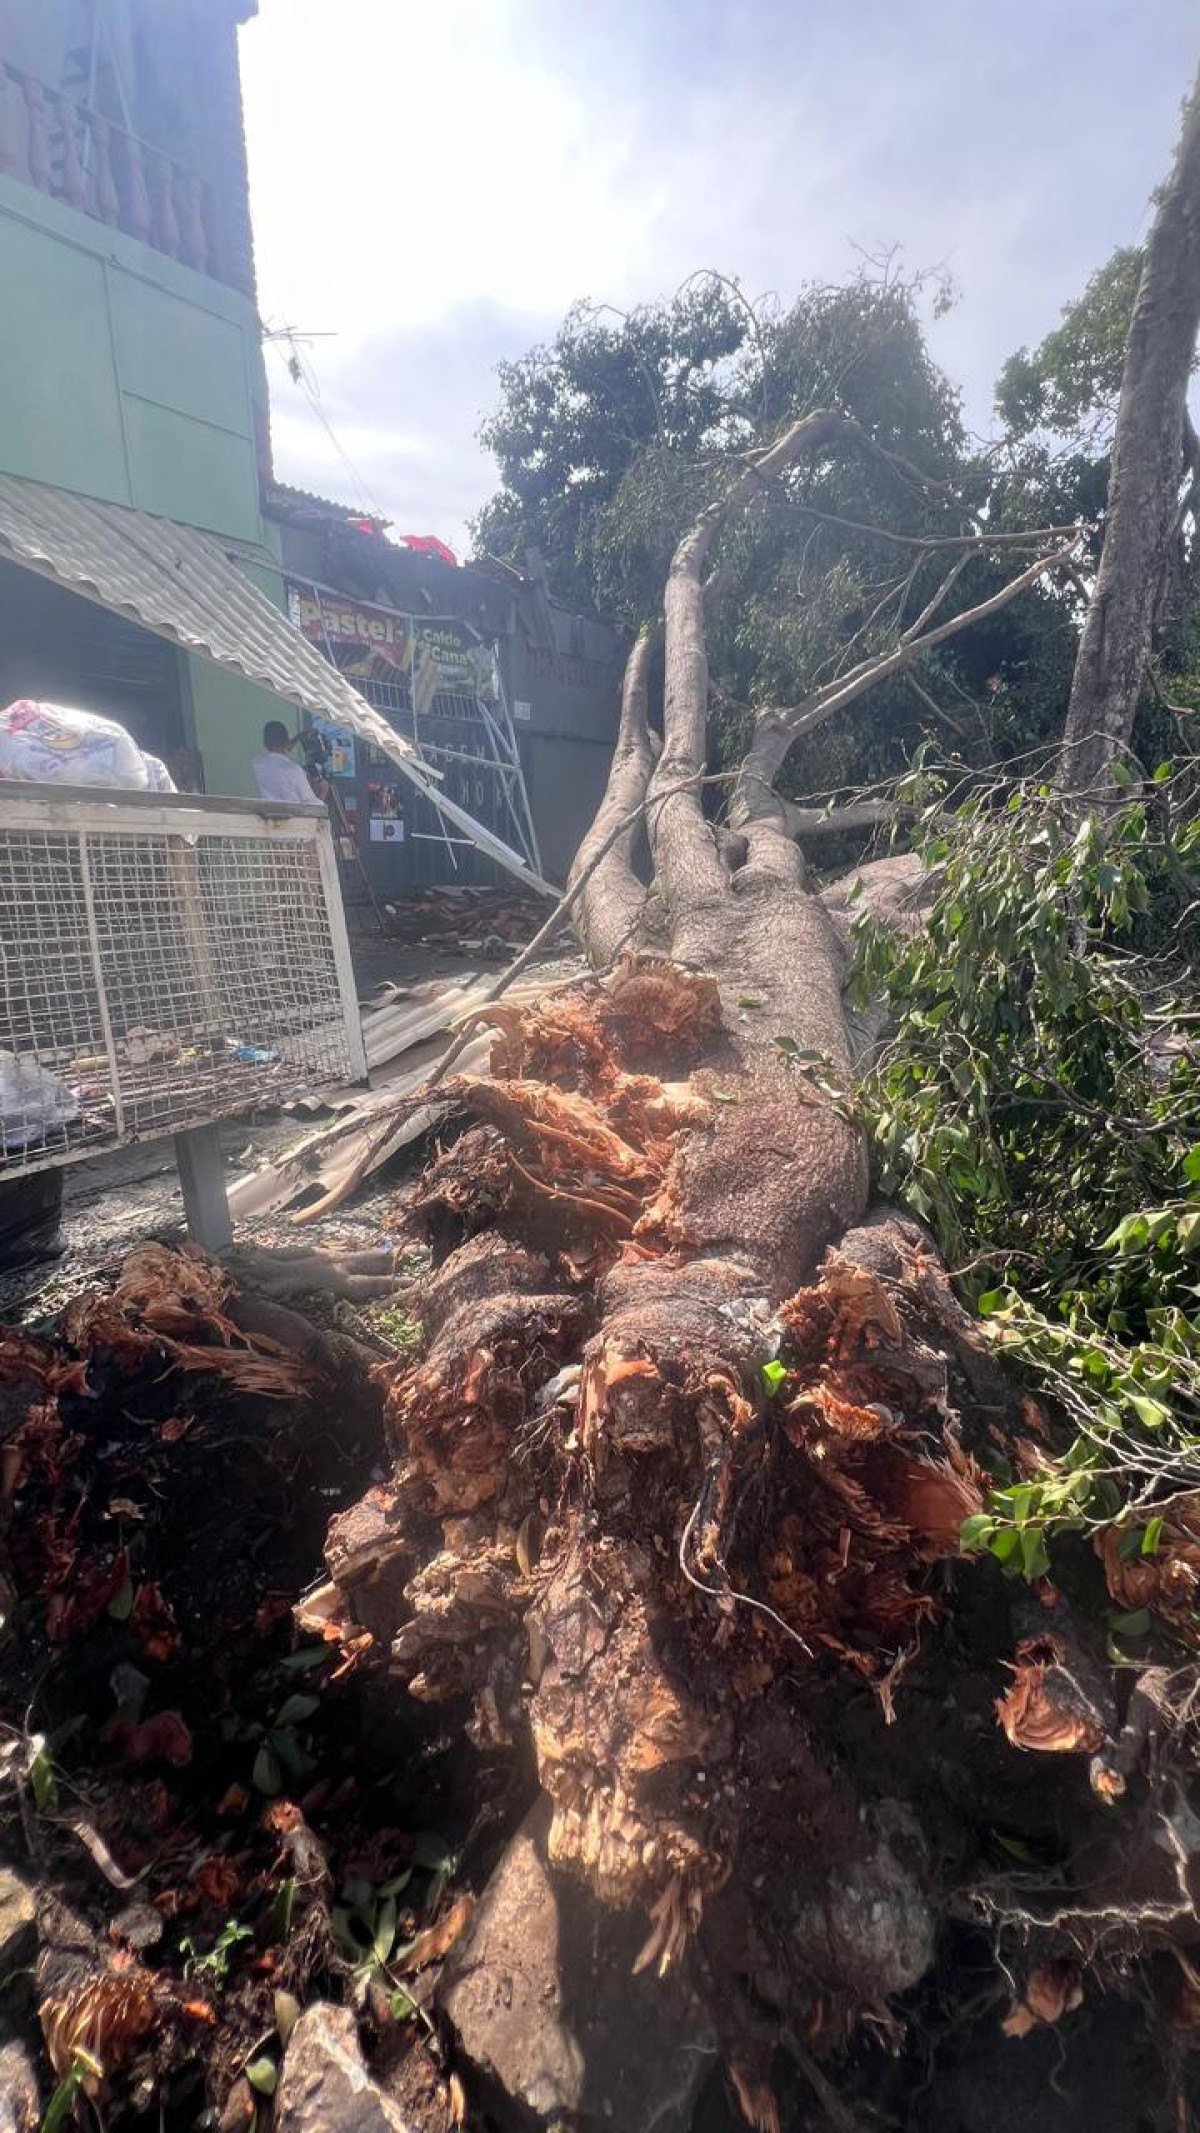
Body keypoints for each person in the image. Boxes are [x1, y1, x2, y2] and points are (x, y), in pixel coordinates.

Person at [252, 720, 321, 804]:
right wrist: (323, 795)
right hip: (297, 815)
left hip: (272, 813)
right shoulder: (294, 770)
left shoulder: (258, 765)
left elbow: (276, 751)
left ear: (265, 743)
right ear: (286, 742)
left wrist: (297, 737)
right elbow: (312, 804)